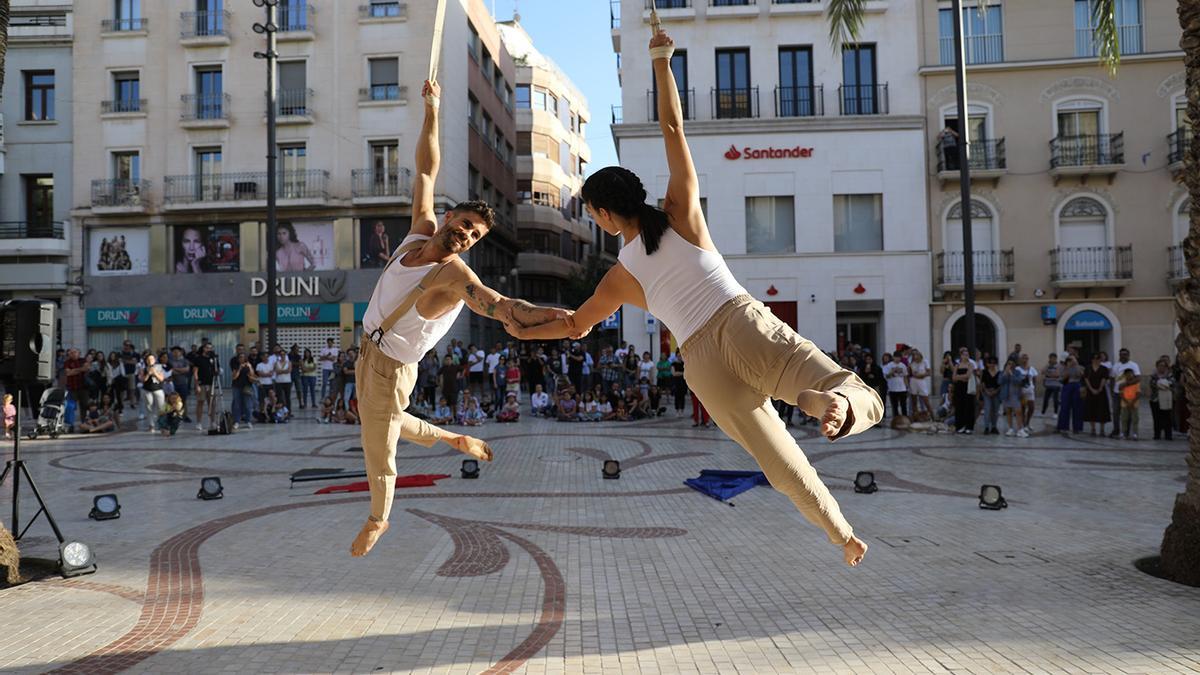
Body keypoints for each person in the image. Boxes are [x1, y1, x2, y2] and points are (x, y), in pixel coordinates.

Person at [510, 30, 881, 566]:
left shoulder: (619, 276)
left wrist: (525, 328)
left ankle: (841, 533)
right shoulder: (681, 216)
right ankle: (828, 403)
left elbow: (573, 326)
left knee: (777, 460)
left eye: (591, 212)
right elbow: (673, 129)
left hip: (700, 364)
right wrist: (662, 61)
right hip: (737, 323)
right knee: (848, 389)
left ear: (604, 213)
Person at [349, 79, 566, 558]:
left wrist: (556, 317)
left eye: (475, 235)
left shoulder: (454, 277)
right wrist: (432, 108)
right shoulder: (418, 234)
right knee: (383, 419)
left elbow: (498, 304)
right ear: (448, 219)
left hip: (391, 367)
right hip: (365, 352)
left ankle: (378, 519)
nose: (467, 235)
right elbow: (426, 171)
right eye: (465, 225)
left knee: (378, 446)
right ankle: (453, 437)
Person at [1108, 348, 1140, 438]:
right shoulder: (1115, 366)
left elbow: (1138, 378)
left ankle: (1126, 431)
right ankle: (1116, 430)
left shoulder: (1133, 365)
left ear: (1128, 355)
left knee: (1127, 413)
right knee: (1115, 412)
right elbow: (1111, 378)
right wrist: (1111, 390)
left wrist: (1126, 384)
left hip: (1128, 393)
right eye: (1121, 354)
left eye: (1125, 354)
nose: (1123, 356)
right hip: (1117, 393)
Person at [190, 342, 220, 431]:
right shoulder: (198, 359)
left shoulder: (214, 359)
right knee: (200, 402)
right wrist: (196, 385)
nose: (209, 349)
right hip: (202, 383)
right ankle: (199, 422)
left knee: (212, 403)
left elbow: (217, 369)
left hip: (212, 384)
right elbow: (195, 372)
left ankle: (213, 421)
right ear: (203, 348)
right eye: (207, 347)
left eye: (210, 348)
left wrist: (217, 371)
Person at [1083, 354, 1111, 437]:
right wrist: (1091, 389)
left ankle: (1102, 430)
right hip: (1090, 391)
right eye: (1094, 359)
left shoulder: (1104, 369)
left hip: (1101, 392)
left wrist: (1100, 388)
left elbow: (1104, 378)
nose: (1096, 360)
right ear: (1091, 360)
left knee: (1102, 410)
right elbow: (1086, 379)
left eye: (1098, 358)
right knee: (1091, 409)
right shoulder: (1088, 368)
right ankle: (1093, 429)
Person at [1057, 355, 1085, 436]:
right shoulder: (1063, 367)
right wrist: (1068, 368)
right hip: (1067, 386)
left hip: (1077, 386)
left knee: (1078, 407)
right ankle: (1063, 427)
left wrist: (1076, 365)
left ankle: (1077, 428)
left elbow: (1082, 375)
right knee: (1064, 407)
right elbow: (1061, 379)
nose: (1071, 361)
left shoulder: (1080, 367)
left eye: (1073, 359)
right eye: (1069, 359)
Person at [999, 359, 1027, 438]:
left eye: (1012, 363)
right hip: (1006, 395)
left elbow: (1018, 381)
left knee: (1018, 412)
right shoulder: (1002, 372)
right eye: (1009, 363)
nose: (1010, 365)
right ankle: (1010, 428)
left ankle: (1020, 429)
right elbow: (1000, 382)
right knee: (1008, 412)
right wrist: (1005, 374)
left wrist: (1011, 374)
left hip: (1015, 395)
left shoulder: (1017, 372)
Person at [952, 347, 977, 434]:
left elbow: (968, 375)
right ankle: (960, 426)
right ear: (961, 356)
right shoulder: (957, 365)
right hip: (959, 388)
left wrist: (959, 377)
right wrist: (961, 378)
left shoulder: (971, 365)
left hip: (968, 388)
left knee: (969, 406)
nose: (966, 356)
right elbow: (954, 377)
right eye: (964, 354)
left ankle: (969, 426)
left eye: (967, 354)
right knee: (959, 406)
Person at [140, 353, 167, 432]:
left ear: (155, 360)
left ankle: (162, 426)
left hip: (158, 389)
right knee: (149, 408)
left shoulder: (159, 367)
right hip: (147, 390)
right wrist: (148, 373)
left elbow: (161, 379)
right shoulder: (143, 368)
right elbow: (143, 380)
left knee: (161, 408)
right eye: (148, 359)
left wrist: (154, 373)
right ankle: (151, 426)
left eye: (151, 359)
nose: (150, 361)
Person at [1149, 358, 1175, 441]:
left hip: (1167, 400)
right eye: (1160, 366)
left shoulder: (1170, 375)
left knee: (1167, 417)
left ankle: (1168, 435)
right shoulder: (1154, 376)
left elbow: (1171, 384)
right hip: (1155, 399)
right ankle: (1157, 435)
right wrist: (1163, 385)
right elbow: (1153, 385)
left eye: (1163, 366)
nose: (1161, 368)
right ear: (1157, 367)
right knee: (1156, 418)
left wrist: (1162, 384)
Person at [231, 353, 257, 430]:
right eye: (240, 357)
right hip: (237, 386)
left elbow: (252, 376)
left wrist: (250, 367)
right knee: (237, 404)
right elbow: (234, 377)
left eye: (243, 357)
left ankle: (248, 420)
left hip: (247, 386)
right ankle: (237, 421)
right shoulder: (236, 366)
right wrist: (239, 368)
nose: (242, 358)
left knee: (248, 405)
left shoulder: (249, 365)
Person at [1016, 353, 1038, 434]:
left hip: (1030, 391)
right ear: (1020, 360)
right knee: (1023, 408)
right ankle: (1023, 424)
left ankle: (1028, 422)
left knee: (1031, 407)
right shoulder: (1017, 369)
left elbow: (1035, 379)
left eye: (1026, 358)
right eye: (1023, 358)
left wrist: (1034, 388)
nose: (1025, 360)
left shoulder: (1032, 369)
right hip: (1021, 391)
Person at [883, 351, 909, 419]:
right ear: (893, 357)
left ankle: (905, 418)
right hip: (893, 388)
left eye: (899, 357)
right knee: (895, 405)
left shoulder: (903, 365)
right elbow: (886, 376)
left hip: (902, 388)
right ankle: (896, 418)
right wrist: (892, 372)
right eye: (896, 357)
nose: (897, 359)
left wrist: (906, 387)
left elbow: (905, 376)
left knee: (903, 405)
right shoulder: (889, 365)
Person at [1117, 369, 1141, 440]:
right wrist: (1127, 402)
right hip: (1125, 403)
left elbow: (1138, 393)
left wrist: (1132, 402)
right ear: (1125, 375)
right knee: (1124, 418)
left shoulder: (1136, 383)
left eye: (1131, 374)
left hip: (1134, 403)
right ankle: (1123, 433)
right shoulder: (1122, 383)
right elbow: (1121, 393)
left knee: (1135, 419)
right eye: (1127, 374)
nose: (1129, 375)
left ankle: (1135, 433)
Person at [907, 349, 931, 418]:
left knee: (925, 401)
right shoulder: (912, 363)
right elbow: (909, 374)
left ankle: (927, 415)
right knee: (913, 401)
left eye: (916, 354)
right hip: (913, 382)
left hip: (921, 382)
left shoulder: (925, 362)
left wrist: (922, 375)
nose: (915, 356)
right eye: (913, 355)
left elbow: (929, 372)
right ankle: (915, 416)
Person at [980, 357, 1001, 435]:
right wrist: (986, 391)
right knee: (987, 409)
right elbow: (982, 382)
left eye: (994, 363)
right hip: (987, 393)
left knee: (995, 411)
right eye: (990, 363)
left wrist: (995, 391)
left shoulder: (999, 373)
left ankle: (994, 426)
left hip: (996, 393)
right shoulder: (984, 372)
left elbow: (1000, 384)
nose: (992, 364)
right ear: (988, 364)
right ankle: (986, 427)